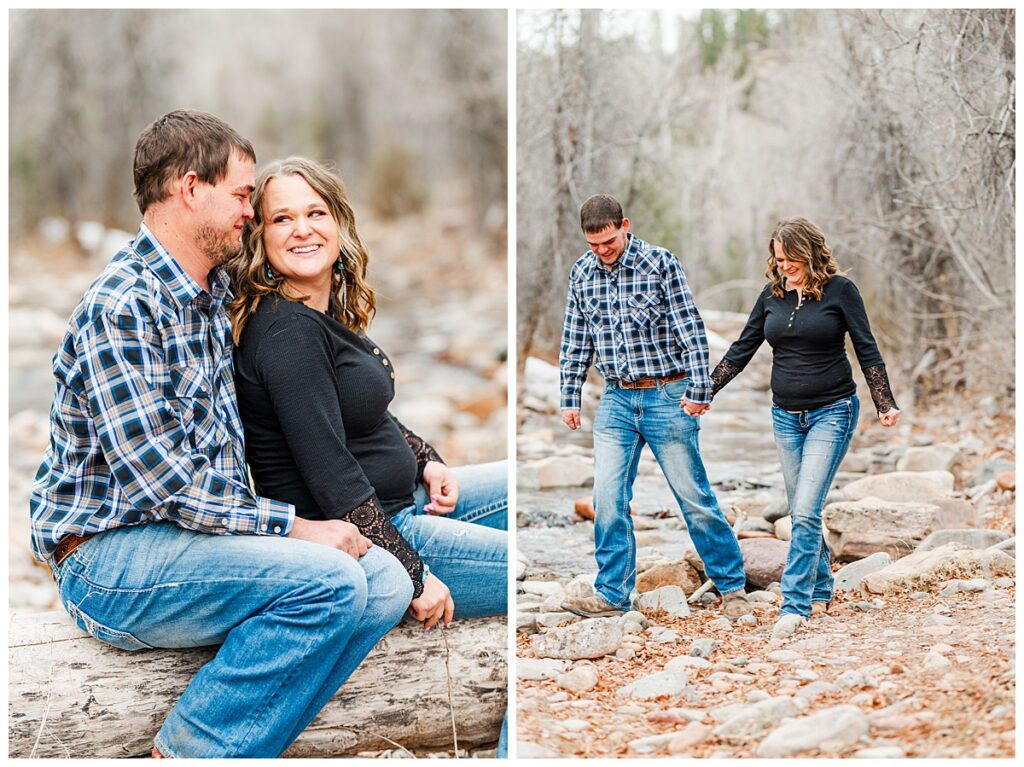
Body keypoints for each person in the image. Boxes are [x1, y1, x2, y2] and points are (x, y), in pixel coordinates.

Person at [29, 110, 414, 758]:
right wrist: (296, 527)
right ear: (188, 189)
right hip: (111, 558)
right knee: (332, 581)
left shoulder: (209, 293)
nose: (250, 213)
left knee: (387, 582)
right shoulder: (122, 305)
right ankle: (188, 751)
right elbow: (165, 482)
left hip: (195, 540)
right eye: (241, 195)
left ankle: (237, 743)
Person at [226, 157, 508, 748]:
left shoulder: (316, 312)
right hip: (379, 530)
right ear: (261, 237)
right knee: (526, 570)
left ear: (339, 223)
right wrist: (413, 573)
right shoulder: (286, 333)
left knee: (517, 480)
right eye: (282, 218)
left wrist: (427, 457)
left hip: (403, 498)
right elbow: (331, 476)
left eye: (315, 212)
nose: (302, 229)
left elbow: (366, 415)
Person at [558, 194, 752, 620]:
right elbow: (575, 341)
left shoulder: (659, 263)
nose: (602, 251)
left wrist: (701, 389)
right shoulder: (581, 273)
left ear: (624, 224)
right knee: (607, 498)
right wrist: (569, 397)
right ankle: (612, 593)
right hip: (616, 399)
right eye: (593, 245)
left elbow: (691, 329)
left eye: (608, 241)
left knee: (693, 497)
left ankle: (732, 586)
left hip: (667, 393)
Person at [709, 217, 900, 640]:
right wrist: (706, 392)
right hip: (785, 417)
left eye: (791, 259)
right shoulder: (771, 294)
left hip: (832, 412)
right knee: (801, 510)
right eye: (778, 260)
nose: (784, 267)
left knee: (806, 511)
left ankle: (795, 604)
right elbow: (741, 349)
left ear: (810, 253)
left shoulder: (841, 292)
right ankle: (823, 587)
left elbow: (866, 349)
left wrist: (883, 402)